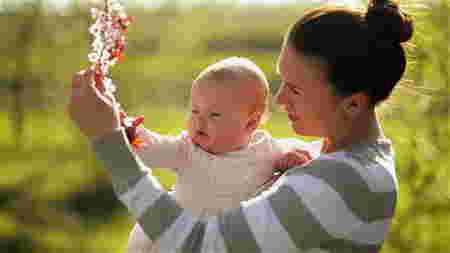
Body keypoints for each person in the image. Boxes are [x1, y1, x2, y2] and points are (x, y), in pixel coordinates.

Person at [69, 0, 414, 252]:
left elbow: (199, 244)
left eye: (295, 89)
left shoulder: (346, 182)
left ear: (353, 102)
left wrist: (109, 142)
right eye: (282, 81)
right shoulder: (322, 157)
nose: (279, 101)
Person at [125, 57, 314, 253]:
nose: (199, 122)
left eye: (214, 115)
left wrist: (292, 160)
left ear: (250, 123)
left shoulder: (265, 149)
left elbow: (295, 159)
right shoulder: (187, 150)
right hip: (180, 238)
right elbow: (154, 148)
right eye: (195, 111)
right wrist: (133, 135)